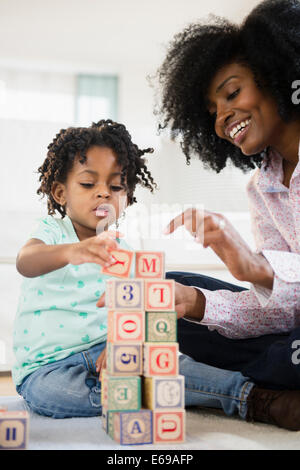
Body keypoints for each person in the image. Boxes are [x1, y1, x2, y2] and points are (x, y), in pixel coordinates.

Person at [155, 0, 300, 430]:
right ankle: (278, 374)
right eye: (213, 111)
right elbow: (282, 310)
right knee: (166, 296)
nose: (222, 119)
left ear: (279, 76)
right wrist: (199, 304)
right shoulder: (261, 189)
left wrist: (257, 267)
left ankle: (269, 379)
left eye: (232, 93)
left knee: (283, 353)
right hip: (294, 336)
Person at [12, 119, 156, 418]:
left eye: (116, 186)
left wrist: (121, 342)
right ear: (61, 193)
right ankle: (132, 395)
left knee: (168, 361)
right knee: (50, 394)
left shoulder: (123, 251)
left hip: (104, 352)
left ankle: (238, 392)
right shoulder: (53, 230)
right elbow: (26, 261)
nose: (104, 193)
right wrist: (72, 251)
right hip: (49, 366)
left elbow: (135, 311)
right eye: (89, 184)